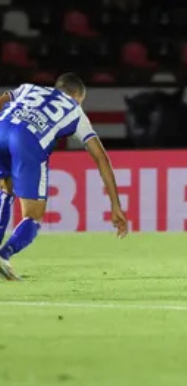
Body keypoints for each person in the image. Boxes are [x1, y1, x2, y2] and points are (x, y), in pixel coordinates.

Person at [0, 74, 128, 280]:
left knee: (5, 190)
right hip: (28, 140)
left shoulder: (28, 88)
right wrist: (115, 204)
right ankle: (4, 255)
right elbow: (100, 157)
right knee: (33, 216)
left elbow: (3, 101)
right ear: (78, 96)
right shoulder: (75, 111)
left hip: (2, 128)